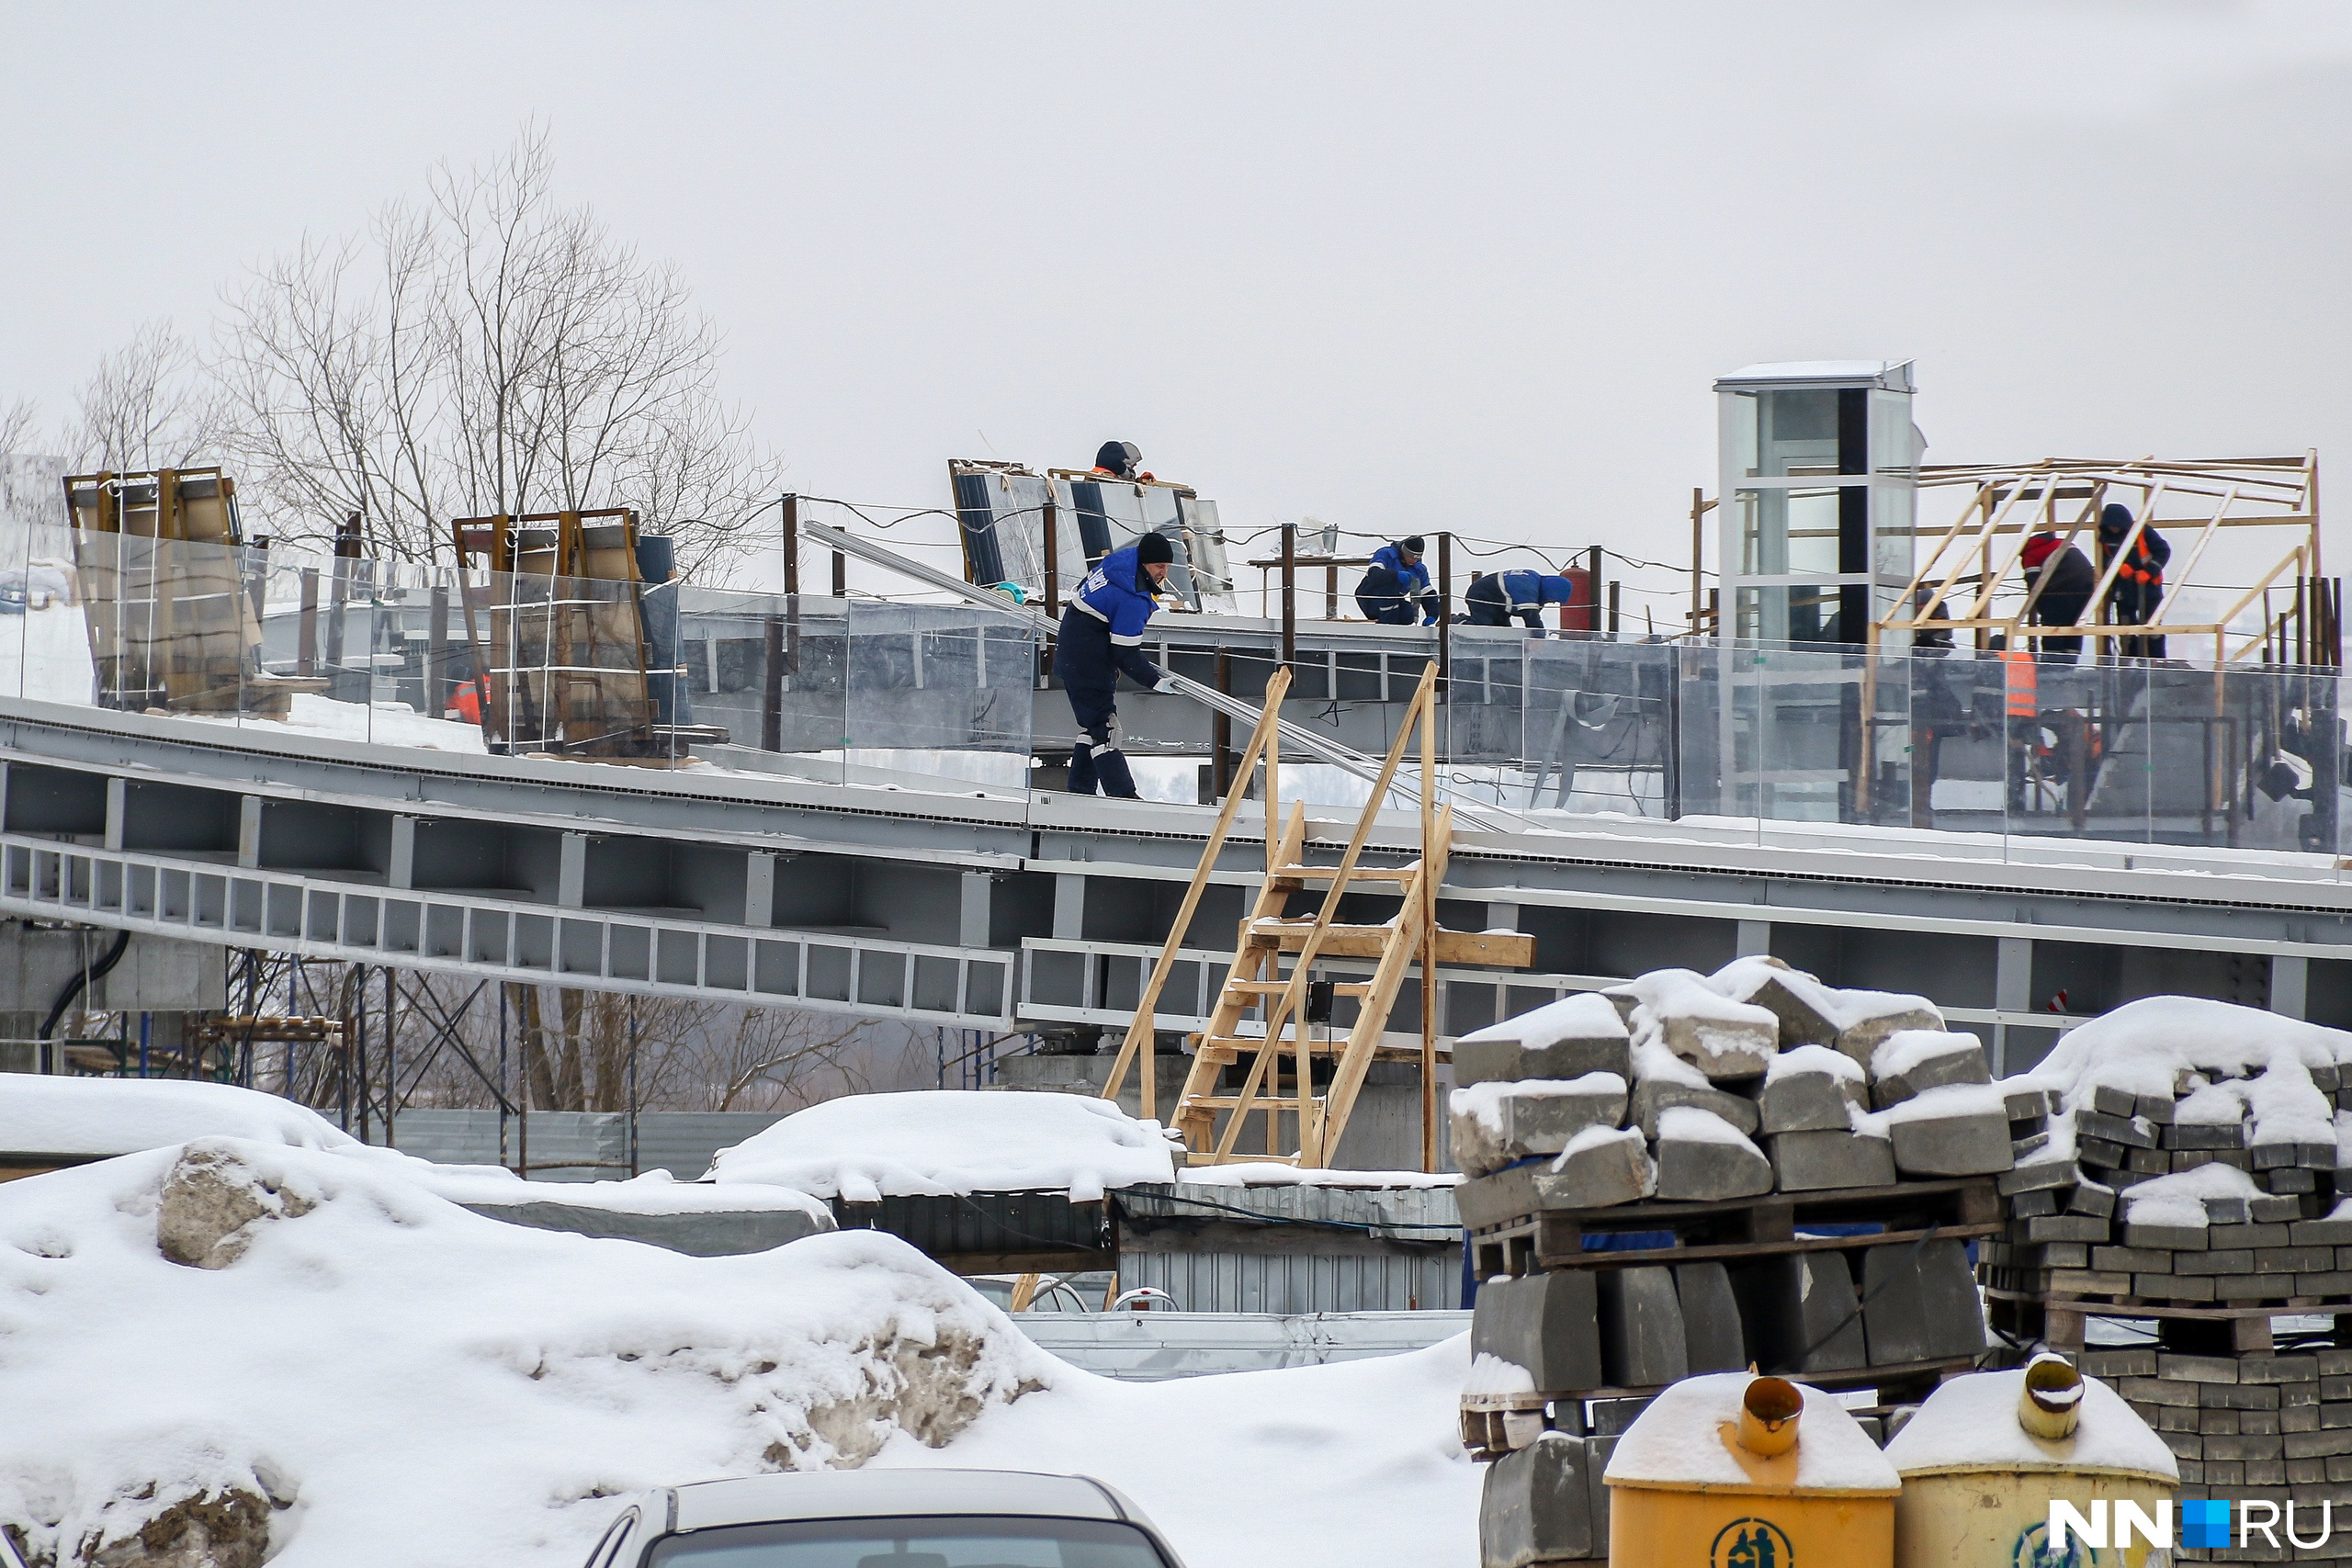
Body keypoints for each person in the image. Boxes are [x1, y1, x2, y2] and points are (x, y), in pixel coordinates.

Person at [1054, 531, 1180, 797]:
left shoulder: (1118, 564)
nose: (1163, 574)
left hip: (1072, 652)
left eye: (1167, 567)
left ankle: (1079, 792)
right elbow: (1126, 653)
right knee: (1108, 730)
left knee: (1094, 725)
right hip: (1088, 661)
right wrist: (1156, 681)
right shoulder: (1132, 597)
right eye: (1159, 567)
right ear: (1145, 563)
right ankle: (1123, 796)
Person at [2098, 502, 2170, 659]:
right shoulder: (2105, 538)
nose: (2114, 529)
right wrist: (2118, 566)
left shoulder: (2143, 532)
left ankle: (2156, 664)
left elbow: (2163, 551)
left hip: (2149, 589)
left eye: (2117, 526)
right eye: (2111, 526)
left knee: (2152, 629)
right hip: (2124, 590)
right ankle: (2132, 667)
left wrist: (2148, 571)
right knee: (2127, 630)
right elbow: (2103, 559)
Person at [2019, 529, 2094, 658]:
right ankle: (2069, 666)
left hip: (2065, 583)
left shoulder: (2030, 554)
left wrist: (2044, 612)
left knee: (2052, 626)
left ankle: (2053, 667)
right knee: (2074, 626)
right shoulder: (2059, 542)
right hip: (2088, 580)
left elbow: (2035, 587)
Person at [1354, 536, 1440, 625]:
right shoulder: (1386, 554)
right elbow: (1374, 574)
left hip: (1394, 599)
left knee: (1407, 615)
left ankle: (1398, 630)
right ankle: (1387, 626)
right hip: (1370, 596)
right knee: (1391, 585)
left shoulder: (1418, 569)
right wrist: (1396, 576)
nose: (1414, 561)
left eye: (1417, 558)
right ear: (1404, 552)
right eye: (1411, 557)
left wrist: (1432, 614)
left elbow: (1427, 593)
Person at [1463, 568, 1576, 629]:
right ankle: (1459, 622)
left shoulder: (1534, 582)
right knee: (1483, 626)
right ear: (1552, 591)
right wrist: (1539, 640)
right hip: (1482, 595)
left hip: (1500, 602)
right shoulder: (1528, 587)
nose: (1552, 602)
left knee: (1503, 633)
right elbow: (1531, 618)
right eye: (1554, 599)